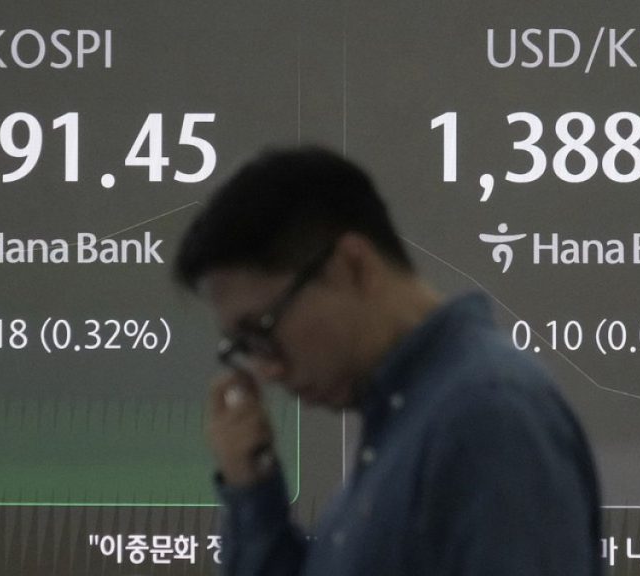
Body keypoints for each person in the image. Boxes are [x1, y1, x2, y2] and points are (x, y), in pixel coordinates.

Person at [174, 147, 602, 575]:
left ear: (352, 267)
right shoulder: (402, 423)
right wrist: (252, 488)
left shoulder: (489, 414)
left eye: (263, 330)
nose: (266, 370)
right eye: (243, 346)